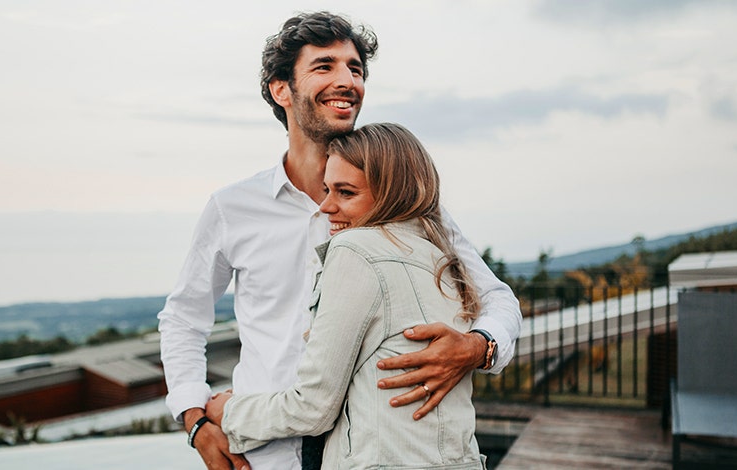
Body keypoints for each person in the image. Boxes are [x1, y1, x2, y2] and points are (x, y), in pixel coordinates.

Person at [157, 11, 521, 470]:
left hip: (368, 450)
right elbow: (184, 319)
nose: (347, 80)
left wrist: (478, 346)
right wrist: (195, 421)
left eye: (355, 68)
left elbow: (495, 297)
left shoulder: (402, 203)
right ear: (281, 89)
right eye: (325, 66)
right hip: (262, 451)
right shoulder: (232, 208)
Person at [206, 122, 488, 469]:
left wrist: (229, 413)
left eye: (345, 192)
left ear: (391, 193)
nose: (326, 206)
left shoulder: (355, 250)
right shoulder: (444, 259)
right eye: (327, 190)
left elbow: (314, 407)